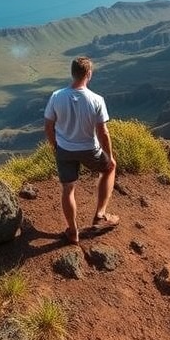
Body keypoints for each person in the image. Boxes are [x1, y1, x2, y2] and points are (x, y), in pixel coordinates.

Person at [44, 55, 119, 245]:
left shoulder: (56, 96)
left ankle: (73, 231)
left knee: (68, 189)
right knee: (109, 168)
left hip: (64, 150)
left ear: (72, 73)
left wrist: (55, 146)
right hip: (89, 149)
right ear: (89, 74)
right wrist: (109, 156)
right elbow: (103, 132)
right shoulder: (96, 99)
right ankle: (100, 215)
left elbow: (48, 125)